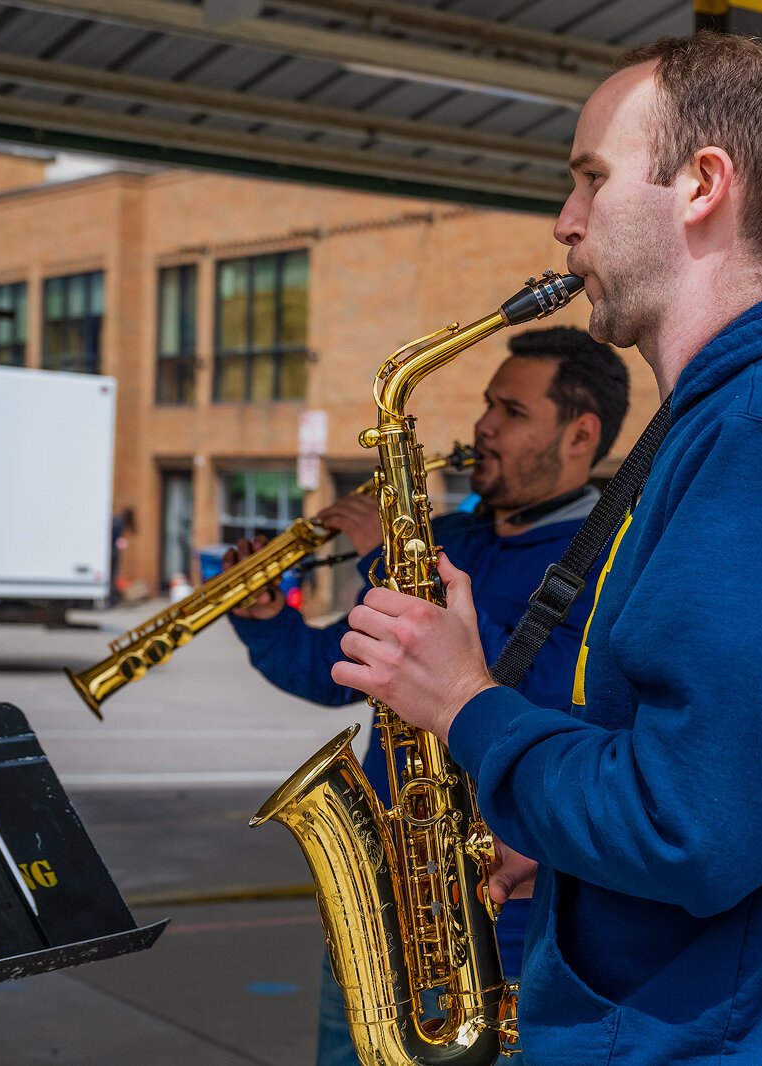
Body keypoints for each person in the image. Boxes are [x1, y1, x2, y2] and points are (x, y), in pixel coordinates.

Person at [332, 32, 762, 1065]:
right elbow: (715, 785)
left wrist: (466, 705)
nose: (566, 223)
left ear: (702, 185)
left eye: (591, 180)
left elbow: (694, 825)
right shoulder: (751, 417)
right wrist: (564, 834)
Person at [226, 326, 630, 1066]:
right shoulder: (452, 538)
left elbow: (531, 689)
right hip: (381, 909)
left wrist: (388, 554)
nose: (483, 426)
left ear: (581, 435)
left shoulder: (618, 556)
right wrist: (265, 622)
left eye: (511, 410)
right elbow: (334, 667)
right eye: (486, 404)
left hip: (504, 929)